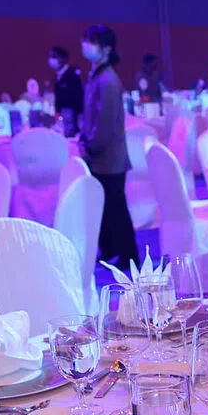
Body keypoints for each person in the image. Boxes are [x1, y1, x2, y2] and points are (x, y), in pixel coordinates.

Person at [79, 25, 137, 265]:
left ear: (106, 48)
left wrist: (91, 145)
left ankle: (129, 255)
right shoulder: (97, 75)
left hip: (109, 157)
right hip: (100, 157)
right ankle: (112, 250)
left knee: (116, 208)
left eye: (92, 41)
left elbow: (105, 123)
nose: (86, 45)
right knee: (105, 207)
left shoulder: (108, 80)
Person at [50, 46, 84, 132]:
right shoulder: (58, 77)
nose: (51, 60)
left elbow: (79, 102)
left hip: (73, 123)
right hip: (61, 122)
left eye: (54, 56)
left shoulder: (73, 77)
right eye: (50, 56)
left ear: (63, 59)